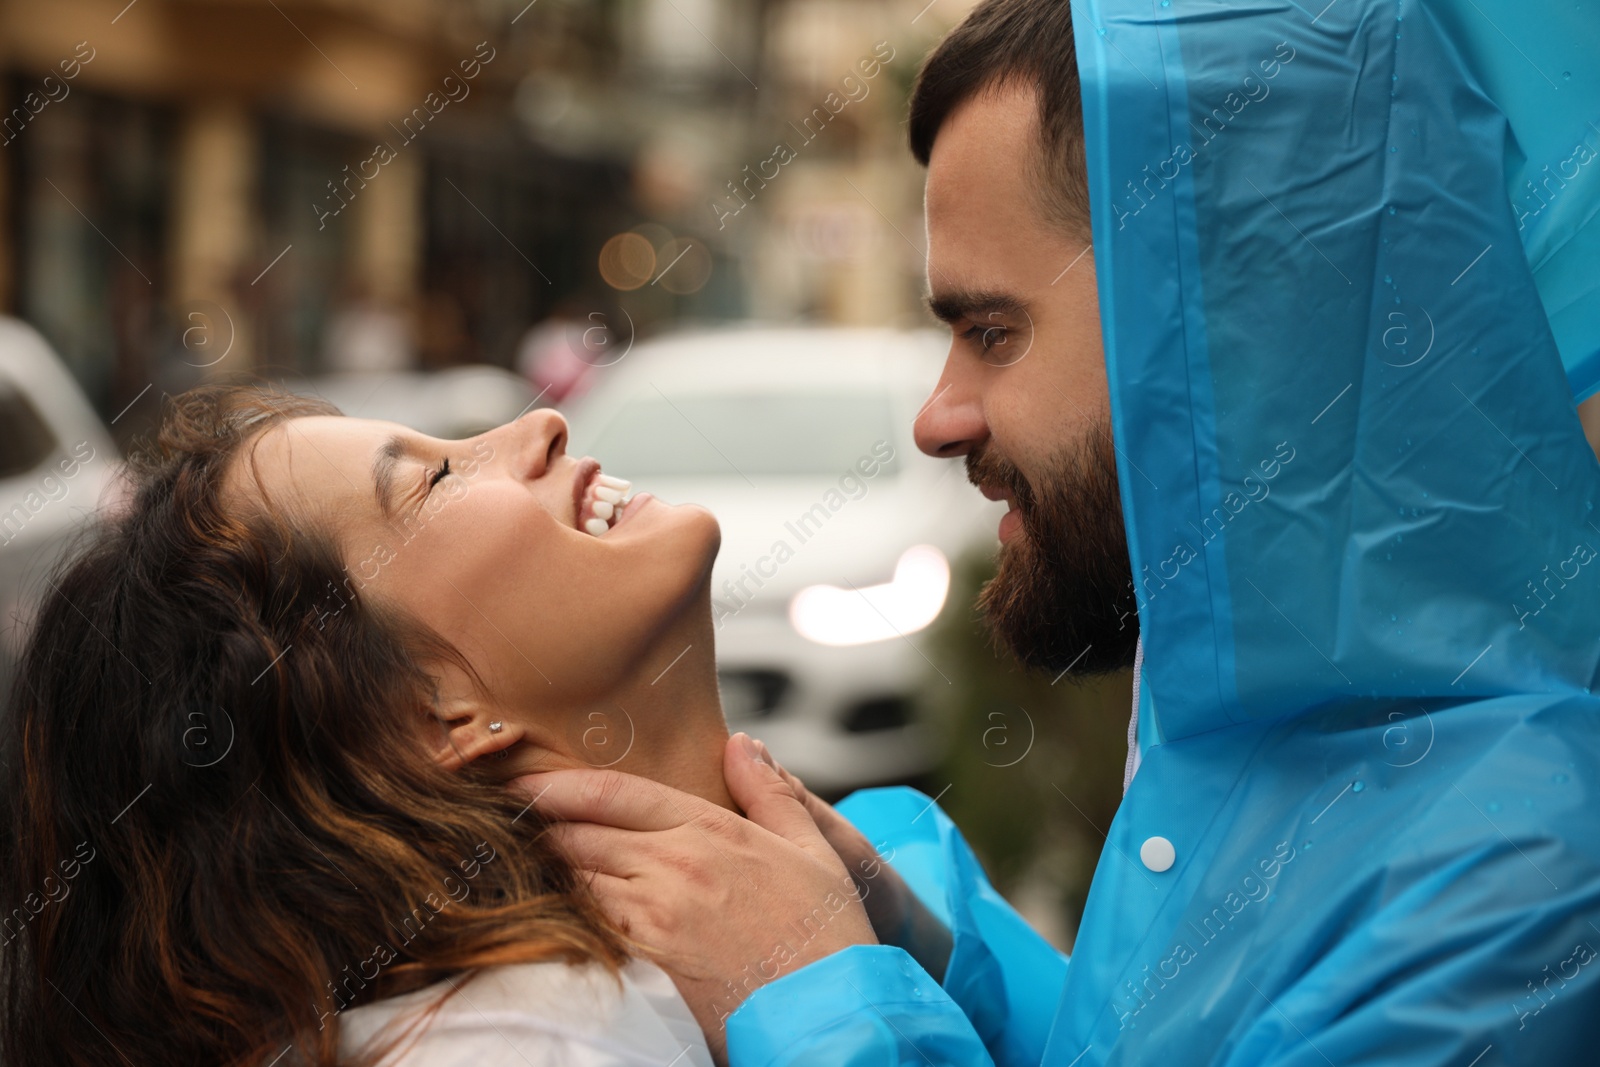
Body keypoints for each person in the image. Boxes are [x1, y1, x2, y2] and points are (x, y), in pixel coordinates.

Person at [521, 0, 1600, 1063]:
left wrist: (808, 992)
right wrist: (910, 932)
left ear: (1241, 331)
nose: (937, 417)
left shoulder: (1522, 876)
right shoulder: (1261, 718)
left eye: (992, 330)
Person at [0, 385, 909, 1066]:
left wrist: (893, 944)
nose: (540, 423)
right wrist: (832, 1006)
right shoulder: (529, 1042)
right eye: (434, 476)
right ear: (425, 711)